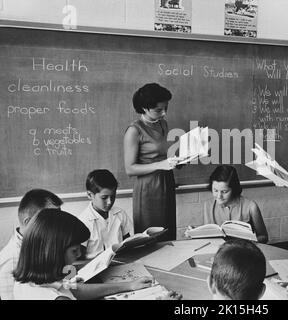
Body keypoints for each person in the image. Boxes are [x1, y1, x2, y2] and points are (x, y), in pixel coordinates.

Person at [13, 208, 153, 300]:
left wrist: (129, 285)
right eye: (74, 250)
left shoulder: (26, 280)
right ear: (53, 253)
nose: (79, 254)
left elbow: (75, 290)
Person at [124, 83, 179, 240]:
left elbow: (163, 154)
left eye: (166, 108)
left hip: (167, 182)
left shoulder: (163, 124)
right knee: (150, 237)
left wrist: (179, 160)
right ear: (144, 108)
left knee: (168, 235)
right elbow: (130, 169)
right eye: (159, 110)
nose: (164, 113)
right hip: (148, 188)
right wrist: (160, 165)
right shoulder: (134, 130)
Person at [0, 189, 63, 300]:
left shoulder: (40, 244)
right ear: (28, 222)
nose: (56, 226)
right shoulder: (11, 259)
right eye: (50, 220)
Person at [203, 165, 268, 243]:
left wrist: (249, 241)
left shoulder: (251, 206)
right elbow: (208, 235)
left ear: (234, 189)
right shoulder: (207, 205)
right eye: (215, 190)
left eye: (224, 192)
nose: (219, 196)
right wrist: (195, 232)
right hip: (218, 252)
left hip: (243, 251)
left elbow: (264, 237)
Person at [78, 169, 132, 259]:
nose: (109, 202)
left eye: (113, 196)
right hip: (93, 267)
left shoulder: (120, 214)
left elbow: (128, 243)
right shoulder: (82, 222)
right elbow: (80, 258)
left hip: (120, 262)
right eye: (104, 197)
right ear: (90, 195)